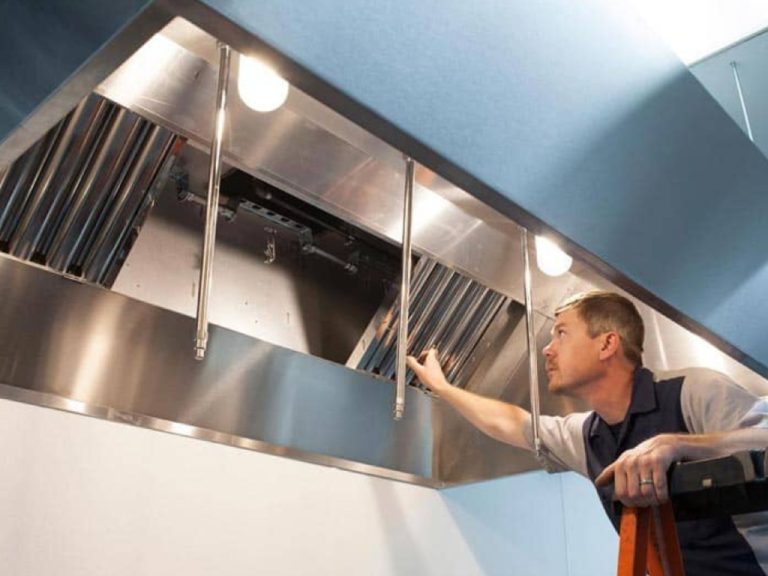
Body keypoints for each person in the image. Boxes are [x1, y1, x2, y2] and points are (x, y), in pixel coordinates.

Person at [407, 290, 768, 575]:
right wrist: (442, 388)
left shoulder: (693, 391)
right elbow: (511, 423)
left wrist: (675, 444)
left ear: (607, 344)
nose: (548, 349)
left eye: (561, 333)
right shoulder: (586, 435)